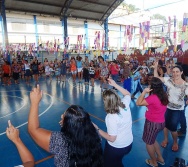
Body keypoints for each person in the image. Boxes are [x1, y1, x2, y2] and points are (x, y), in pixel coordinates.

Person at [28, 85, 103, 167]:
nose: (61, 116)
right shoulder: (96, 135)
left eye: (63, 115)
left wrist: (35, 103)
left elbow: (33, 130)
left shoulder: (60, 141)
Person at [93, 79, 133, 167]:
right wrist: (115, 84)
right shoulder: (124, 104)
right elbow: (127, 94)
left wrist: (97, 129)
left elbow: (112, 138)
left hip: (117, 147)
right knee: (117, 162)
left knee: (108, 163)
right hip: (128, 144)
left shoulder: (111, 117)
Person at [154, 61, 188, 152]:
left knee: (173, 128)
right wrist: (155, 67)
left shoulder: (185, 85)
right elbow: (156, 77)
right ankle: (165, 139)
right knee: (165, 125)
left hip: (177, 110)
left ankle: (175, 142)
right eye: (173, 72)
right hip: (166, 107)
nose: (175, 73)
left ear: (181, 72)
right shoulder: (168, 80)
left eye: (177, 72)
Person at [136, 77, 169, 167]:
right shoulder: (164, 95)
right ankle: (160, 158)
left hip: (152, 123)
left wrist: (144, 92)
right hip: (161, 122)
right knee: (153, 140)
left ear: (152, 87)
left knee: (149, 143)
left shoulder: (153, 97)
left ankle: (154, 162)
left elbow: (138, 103)